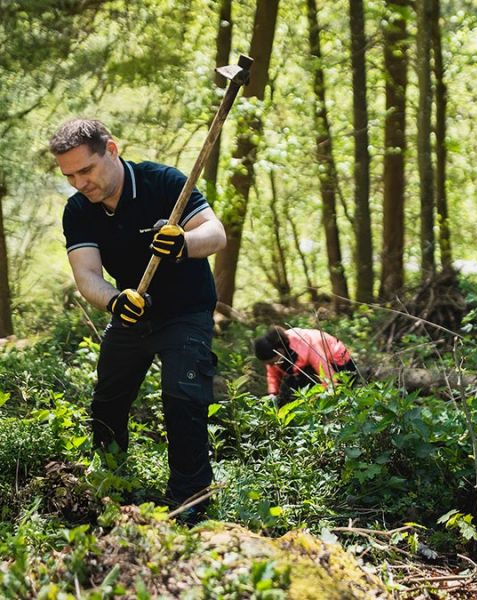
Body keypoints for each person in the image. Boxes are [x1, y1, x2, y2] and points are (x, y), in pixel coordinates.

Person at [50, 118, 227, 520]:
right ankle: (112, 483)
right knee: (108, 401)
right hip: (132, 314)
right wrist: (115, 302)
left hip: (186, 311)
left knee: (183, 397)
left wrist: (184, 243)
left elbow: (215, 234)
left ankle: (190, 502)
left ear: (110, 150)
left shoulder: (163, 183)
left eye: (86, 170)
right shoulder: (79, 210)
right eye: (70, 175)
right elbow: (87, 275)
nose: (79, 182)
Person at [254, 325, 356, 404]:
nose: (272, 365)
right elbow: (272, 375)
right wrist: (273, 393)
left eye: (272, 362)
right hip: (308, 367)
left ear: (279, 351)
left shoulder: (306, 344)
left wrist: (325, 397)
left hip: (338, 361)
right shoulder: (276, 354)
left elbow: (328, 376)